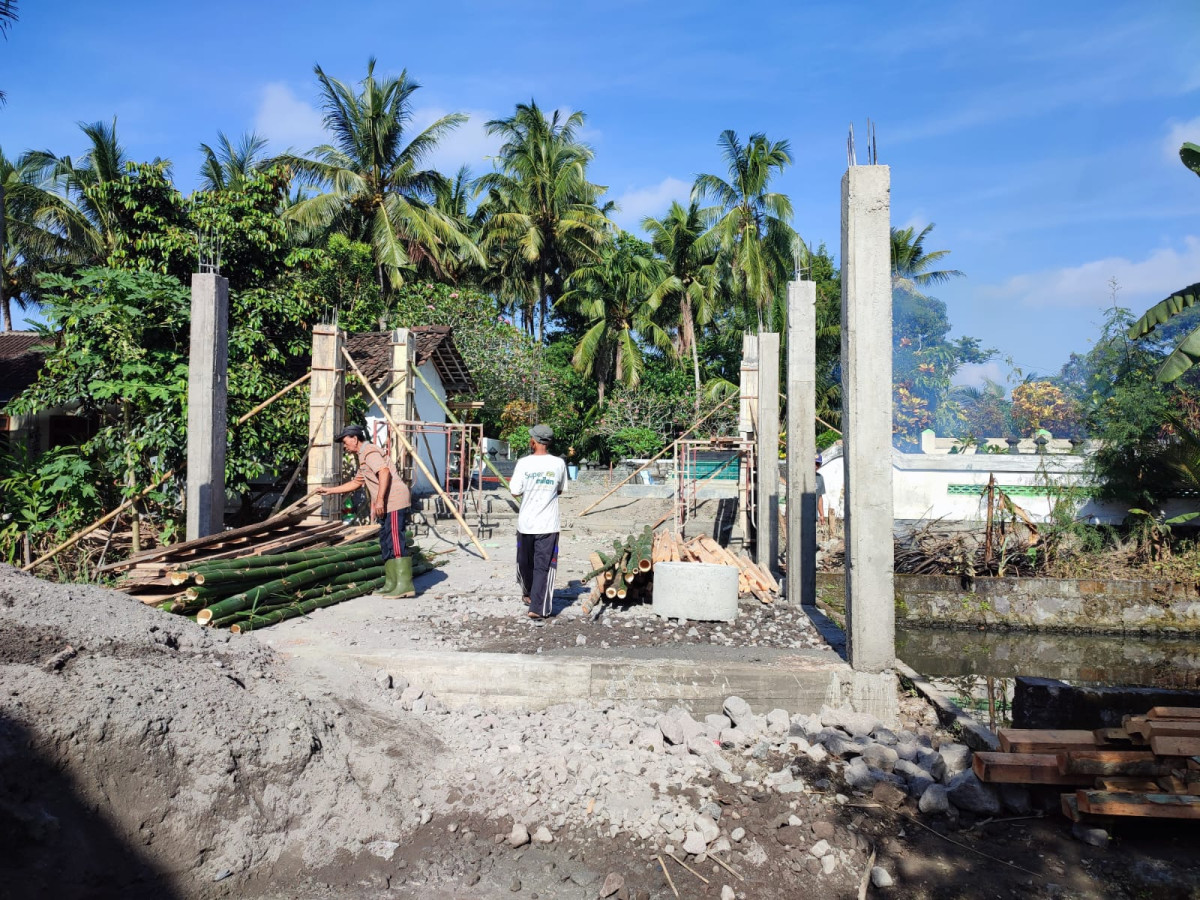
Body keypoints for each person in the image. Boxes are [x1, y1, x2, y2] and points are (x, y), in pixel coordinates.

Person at [316, 424, 414, 598]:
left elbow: (384, 472)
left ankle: (404, 585)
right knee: (385, 540)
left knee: (395, 538)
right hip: (386, 502)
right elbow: (356, 483)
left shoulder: (369, 452)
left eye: (345, 443)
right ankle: (392, 583)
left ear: (355, 439)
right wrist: (329, 490)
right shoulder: (362, 457)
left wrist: (380, 500)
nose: (345, 447)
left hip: (394, 500)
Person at [511, 424, 567, 620]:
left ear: (533, 441)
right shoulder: (558, 464)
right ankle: (531, 596)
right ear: (548, 442)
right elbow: (560, 490)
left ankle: (536, 605)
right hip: (538, 524)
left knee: (535, 564)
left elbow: (515, 491)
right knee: (532, 565)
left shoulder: (525, 464)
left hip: (536, 523)